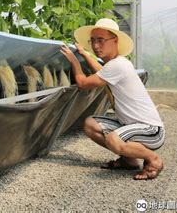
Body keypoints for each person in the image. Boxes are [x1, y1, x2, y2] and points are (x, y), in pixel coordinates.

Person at [60, 18, 165, 180]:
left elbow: (82, 83)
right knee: (90, 124)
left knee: (112, 139)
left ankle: (153, 159)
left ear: (114, 40)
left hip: (151, 130)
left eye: (101, 40)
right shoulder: (117, 64)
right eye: (93, 40)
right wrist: (84, 54)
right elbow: (102, 71)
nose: (95, 45)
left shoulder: (118, 65)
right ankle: (129, 160)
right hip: (133, 126)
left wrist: (74, 60)